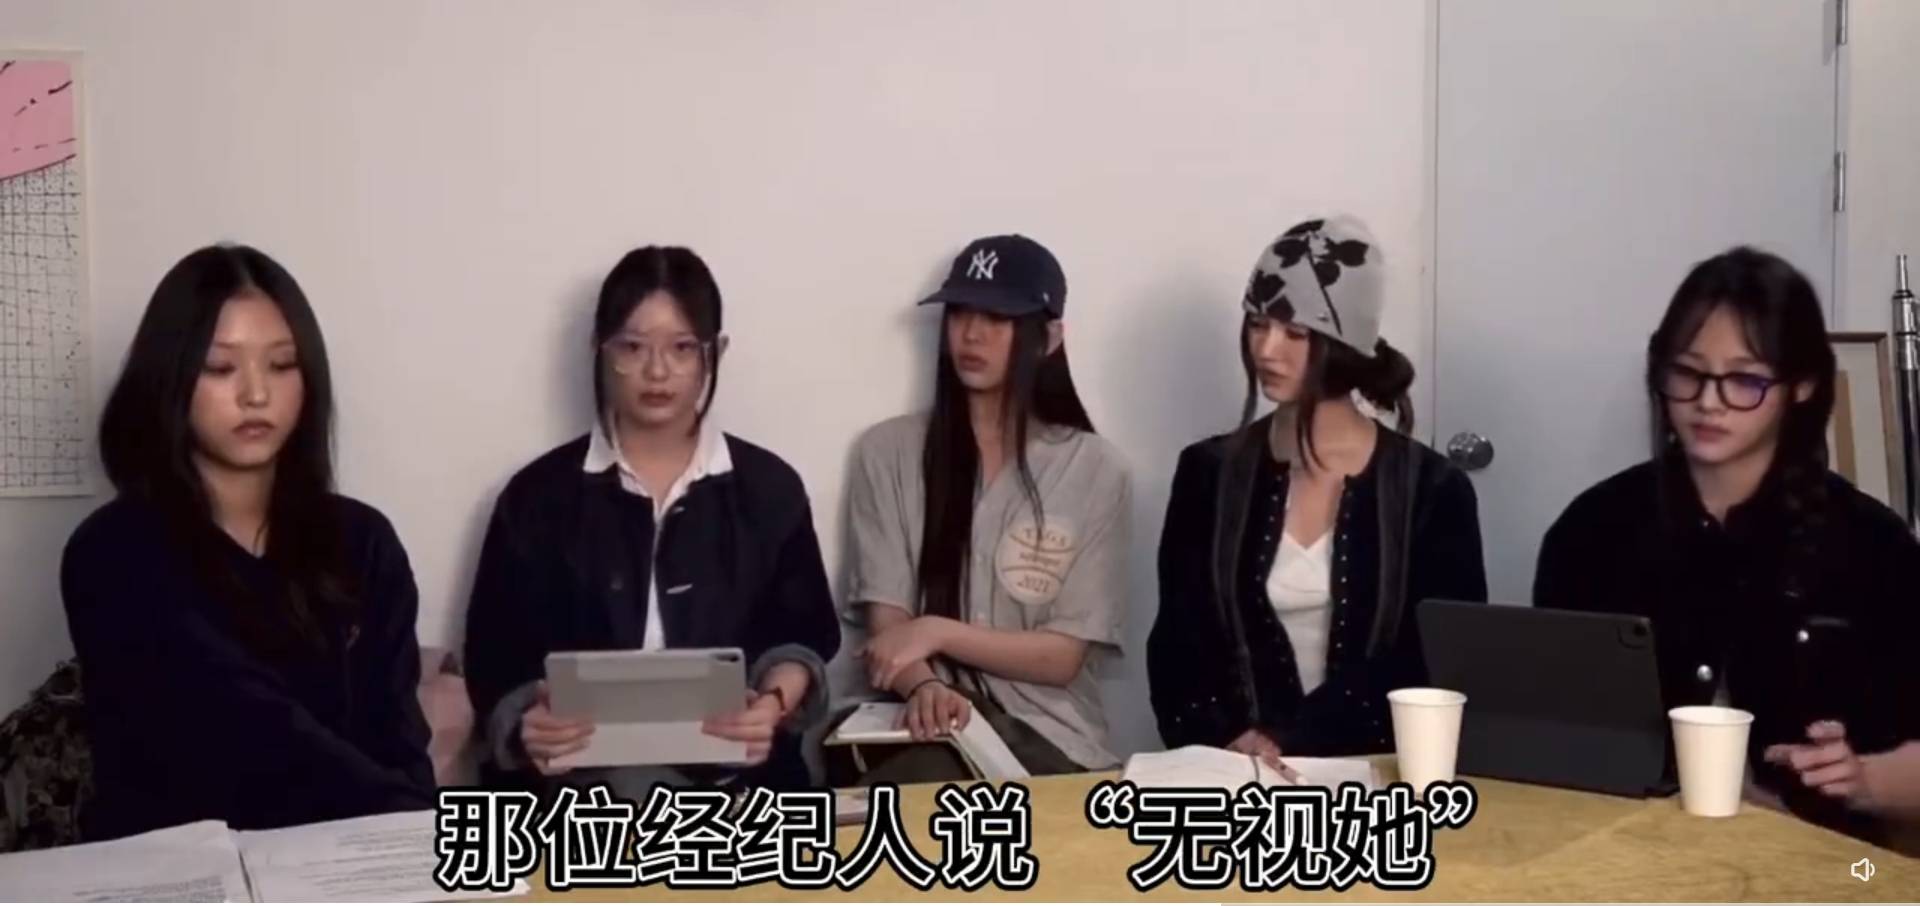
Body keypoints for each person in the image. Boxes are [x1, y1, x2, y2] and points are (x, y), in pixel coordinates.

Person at [1535, 246, 1920, 844]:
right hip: (1624, 850)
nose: (1708, 402)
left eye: (1744, 379)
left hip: (1828, 859)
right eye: (1688, 373)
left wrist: (1865, 780)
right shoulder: (1592, 530)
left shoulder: (1873, 546)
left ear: (1800, 386)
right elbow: (1545, 727)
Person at [62, 244, 433, 840]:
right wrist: (415, 820)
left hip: (348, 864)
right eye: (220, 367)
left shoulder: (363, 541)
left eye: (282, 365)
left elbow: (398, 735)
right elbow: (246, 729)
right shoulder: (113, 551)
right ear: (170, 377)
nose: (256, 394)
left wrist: (416, 838)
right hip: (176, 868)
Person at [464, 246, 838, 797]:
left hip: (737, 786)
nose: (657, 371)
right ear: (599, 349)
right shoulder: (536, 497)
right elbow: (494, 660)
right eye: (632, 347)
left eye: (682, 348)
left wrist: (772, 704)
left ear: (715, 353)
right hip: (572, 794)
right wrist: (527, 724)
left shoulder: (768, 488)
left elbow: (801, 635)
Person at [1149, 216, 1487, 763]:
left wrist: (1297, 737)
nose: (1267, 349)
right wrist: (1230, 737)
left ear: (1343, 344)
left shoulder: (1432, 488)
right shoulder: (1208, 472)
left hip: (1380, 770)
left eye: (1296, 333)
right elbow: (1178, 644)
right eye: (1257, 324)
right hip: (1234, 770)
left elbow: (1439, 657)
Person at [847, 234, 1131, 777]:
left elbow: (1061, 658)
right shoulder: (887, 453)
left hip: (1053, 741)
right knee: (918, 776)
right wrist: (925, 686)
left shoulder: (1095, 469)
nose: (972, 335)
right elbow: (888, 627)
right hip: (922, 729)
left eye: (998, 318)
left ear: (1049, 338)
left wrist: (938, 631)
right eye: (960, 314)